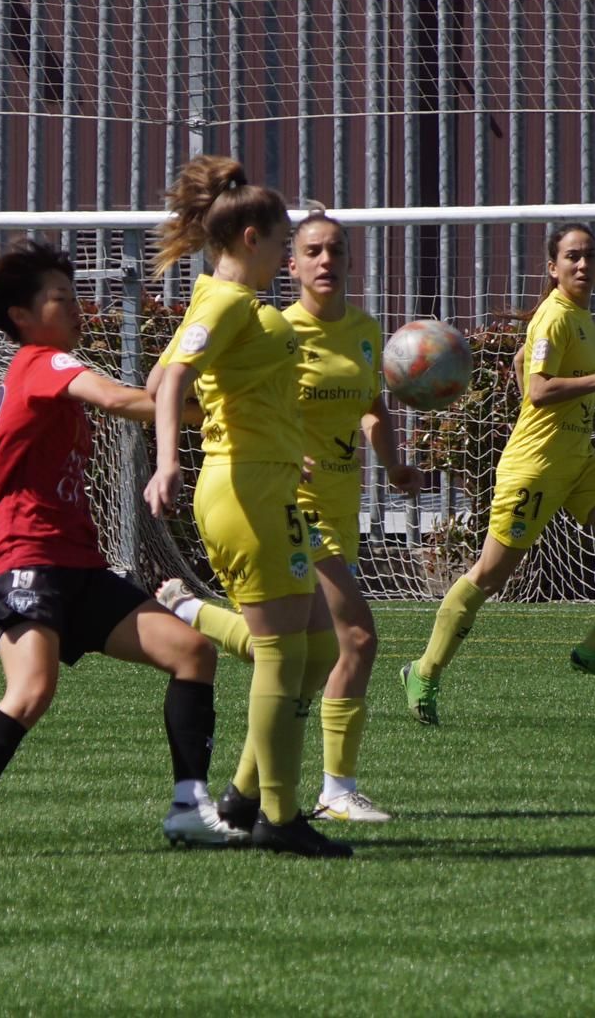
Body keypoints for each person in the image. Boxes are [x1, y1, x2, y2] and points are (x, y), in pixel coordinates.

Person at [0, 238, 242, 859]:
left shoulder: (47, 373)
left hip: (76, 561)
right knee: (32, 691)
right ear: (22, 316)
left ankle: (187, 808)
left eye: (74, 296)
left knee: (192, 651)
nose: (76, 309)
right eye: (60, 298)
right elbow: (122, 400)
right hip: (20, 557)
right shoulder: (41, 362)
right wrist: (221, 416)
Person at [156, 208, 424, 823]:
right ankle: (329, 791)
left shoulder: (363, 330)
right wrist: (259, 447)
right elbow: (187, 385)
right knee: (353, 637)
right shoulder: (273, 326)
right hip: (283, 501)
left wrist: (394, 463)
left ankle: (246, 794)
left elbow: (370, 406)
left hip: (339, 500)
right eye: (309, 250)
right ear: (293, 263)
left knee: (305, 652)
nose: (325, 260)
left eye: (336, 250)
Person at [145, 156, 351, 859]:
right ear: (255, 238)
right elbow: (170, 377)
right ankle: (278, 816)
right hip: (239, 491)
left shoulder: (237, 304)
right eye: (289, 237)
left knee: (318, 645)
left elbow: (176, 374)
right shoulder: (226, 301)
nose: (295, 251)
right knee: (282, 652)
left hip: (266, 483)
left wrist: (269, 440)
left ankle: (241, 796)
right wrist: (171, 460)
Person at [400, 223, 595, 724]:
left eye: (589, 255)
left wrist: (570, 386)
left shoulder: (579, 317)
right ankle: (425, 670)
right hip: (536, 468)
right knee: (490, 575)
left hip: (579, 463)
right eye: (572, 257)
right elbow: (539, 390)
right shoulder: (555, 316)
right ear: (553, 267)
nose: (583, 265)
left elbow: (526, 360)